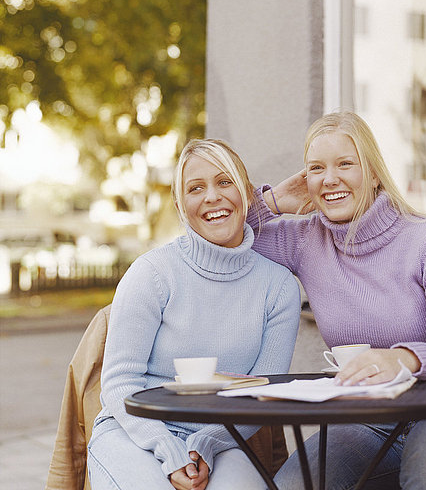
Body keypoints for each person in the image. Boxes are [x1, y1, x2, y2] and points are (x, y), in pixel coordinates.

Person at [246, 111, 426, 490]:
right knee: (293, 485)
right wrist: (274, 199)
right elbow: (215, 229)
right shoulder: (304, 240)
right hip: (365, 423)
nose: (330, 178)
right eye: (316, 168)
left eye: (345, 164)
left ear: (373, 173)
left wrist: (400, 358)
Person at [87, 138, 301, 490]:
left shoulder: (278, 287)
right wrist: (168, 450)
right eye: (195, 188)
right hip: (133, 431)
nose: (212, 197)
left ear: (247, 195)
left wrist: (207, 444)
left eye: (224, 182)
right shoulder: (152, 273)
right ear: (180, 205)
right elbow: (119, 384)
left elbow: (260, 396)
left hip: (221, 439)